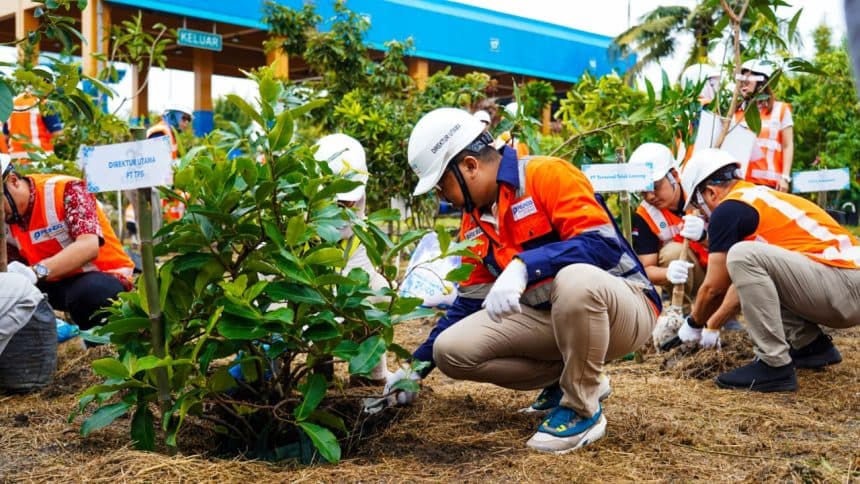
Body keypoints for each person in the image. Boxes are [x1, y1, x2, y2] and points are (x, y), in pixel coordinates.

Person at [391, 107, 661, 453]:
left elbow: (603, 246)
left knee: (575, 279)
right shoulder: (474, 221)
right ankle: (564, 381)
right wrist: (416, 368)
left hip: (624, 309)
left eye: (442, 186)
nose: (443, 198)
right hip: (554, 319)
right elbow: (469, 302)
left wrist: (524, 265)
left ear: (470, 166)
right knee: (451, 351)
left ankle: (583, 407)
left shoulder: (546, 175)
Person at [675, 148, 860, 392]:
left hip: (842, 287)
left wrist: (694, 324)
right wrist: (704, 236)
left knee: (743, 254)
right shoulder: (757, 196)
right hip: (846, 280)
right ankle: (810, 347)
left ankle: (774, 365)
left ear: (710, 192)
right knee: (749, 257)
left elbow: (715, 287)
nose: (701, 212)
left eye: (698, 205)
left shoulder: (727, 209)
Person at [2, 158, 135, 330]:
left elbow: (89, 246)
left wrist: (36, 272)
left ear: (13, 181)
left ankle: (98, 343)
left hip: (103, 276)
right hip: (55, 282)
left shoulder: (68, 190)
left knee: (90, 293)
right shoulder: (7, 218)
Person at [314, 133, 390, 383]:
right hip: (308, 271)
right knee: (314, 306)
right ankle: (319, 372)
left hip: (347, 259)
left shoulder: (357, 201)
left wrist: (350, 300)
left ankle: (368, 374)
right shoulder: (300, 205)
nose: (347, 203)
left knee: (377, 291)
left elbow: (359, 267)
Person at [629, 143, 707, 300]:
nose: (650, 196)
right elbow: (646, 269)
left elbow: (731, 243)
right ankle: (682, 311)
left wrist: (704, 236)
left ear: (675, 176)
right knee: (673, 253)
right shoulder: (645, 215)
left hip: (719, 273)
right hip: (691, 277)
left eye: (655, 187)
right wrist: (668, 273)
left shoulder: (702, 194)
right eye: (643, 191)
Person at [734, 59, 794, 192]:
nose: (743, 84)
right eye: (741, 80)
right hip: (742, 185)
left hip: (771, 185)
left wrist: (785, 177)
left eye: (748, 79)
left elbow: (787, 145)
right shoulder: (736, 113)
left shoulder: (781, 110)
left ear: (761, 82)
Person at [5, 66, 64, 161]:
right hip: (40, 158)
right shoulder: (44, 104)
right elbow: (58, 136)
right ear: (46, 82)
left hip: (16, 158)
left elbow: (6, 135)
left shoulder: (11, 103)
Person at [676, 63, 721, 167]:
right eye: (713, 84)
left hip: (683, 166)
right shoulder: (704, 109)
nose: (717, 89)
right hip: (697, 168)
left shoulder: (683, 108)